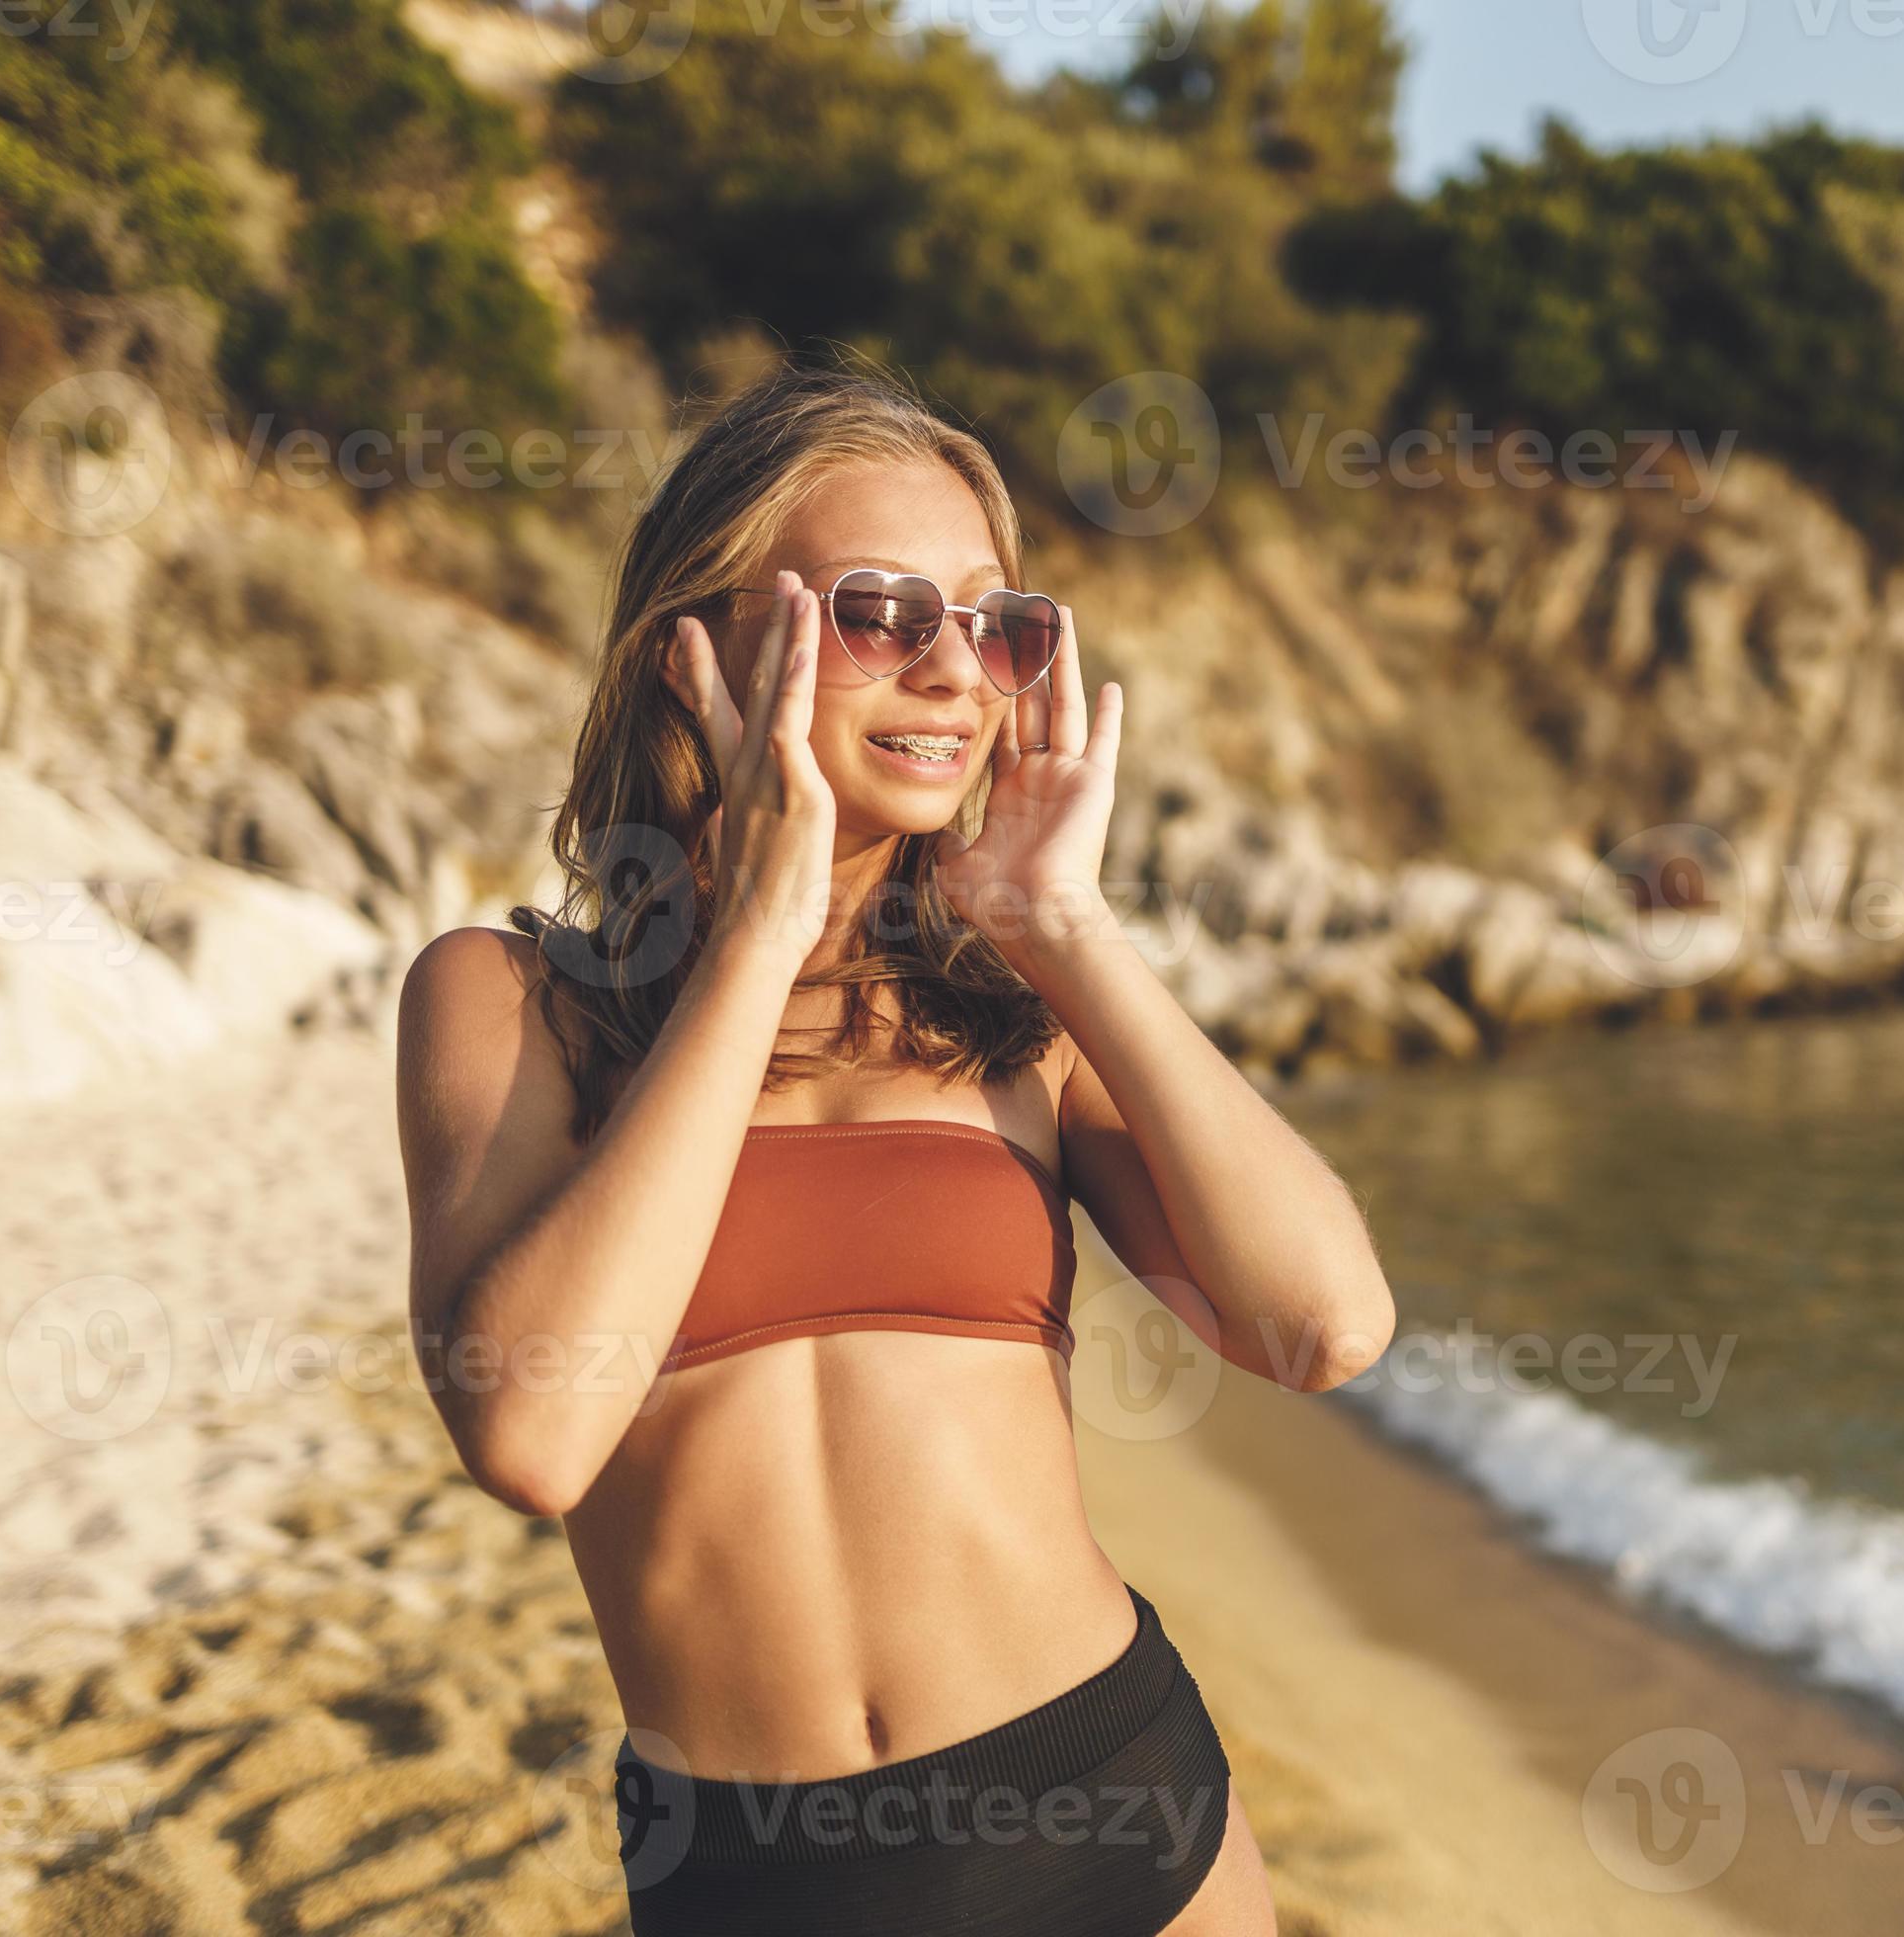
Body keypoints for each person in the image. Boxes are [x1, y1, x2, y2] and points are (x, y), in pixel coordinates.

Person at [391, 362, 1397, 1933]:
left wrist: (1064, 924)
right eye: (877, 610)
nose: (950, 671)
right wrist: (755, 939)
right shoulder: (518, 1006)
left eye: (993, 625)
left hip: (1111, 1806)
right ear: (696, 645)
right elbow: (530, 1435)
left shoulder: (1019, 1013)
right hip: (751, 1877)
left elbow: (1324, 1325)